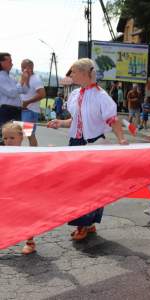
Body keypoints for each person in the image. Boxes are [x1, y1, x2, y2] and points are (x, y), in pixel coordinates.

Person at [47, 58, 128, 241]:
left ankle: (84, 224)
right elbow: (75, 120)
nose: (71, 75)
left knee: (90, 186)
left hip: (94, 144)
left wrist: (121, 139)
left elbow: (112, 120)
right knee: (76, 186)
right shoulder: (75, 94)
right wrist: (60, 123)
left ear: (84, 73)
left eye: (73, 72)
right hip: (75, 143)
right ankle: (87, 223)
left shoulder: (101, 96)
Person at [1, 122, 38, 254]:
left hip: (24, 193)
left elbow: (34, 145)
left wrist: (28, 130)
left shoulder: (26, 152)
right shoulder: (3, 152)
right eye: (5, 138)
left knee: (26, 218)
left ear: (21, 138)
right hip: (7, 192)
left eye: (12, 138)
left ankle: (30, 242)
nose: (8, 141)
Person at [0, 52, 29, 132]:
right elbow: (12, 93)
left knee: (17, 137)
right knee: (6, 138)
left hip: (15, 110)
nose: (12, 64)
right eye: (9, 61)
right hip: (7, 111)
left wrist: (25, 80)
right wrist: (21, 81)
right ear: (1, 63)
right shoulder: (1, 77)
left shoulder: (10, 77)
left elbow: (24, 90)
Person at [20, 59, 45, 147]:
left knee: (30, 135)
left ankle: (33, 153)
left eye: (23, 67)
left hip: (30, 111)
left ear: (30, 67)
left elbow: (42, 94)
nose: (22, 69)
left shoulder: (36, 79)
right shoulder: (26, 77)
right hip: (25, 110)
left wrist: (27, 102)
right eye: (21, 67)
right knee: (25, 134)